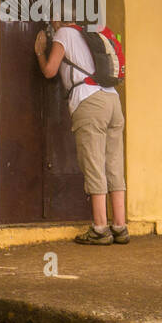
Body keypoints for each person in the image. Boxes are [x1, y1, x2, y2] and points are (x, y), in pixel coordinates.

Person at [34, 20, 127, 245]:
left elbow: (50, 70)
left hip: (89, 100)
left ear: (58, 20)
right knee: (113, 164)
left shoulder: (64, 34)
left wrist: (39, 52)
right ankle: (120, 227)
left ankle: (100, 228)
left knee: (93, 163)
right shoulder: (90, 32)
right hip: (113, 99)